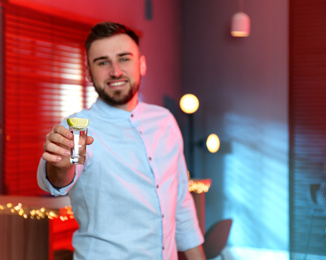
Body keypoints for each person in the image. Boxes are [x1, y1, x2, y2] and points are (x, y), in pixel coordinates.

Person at [37, 21, 206, 260]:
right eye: (102, 62)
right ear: (88, 72)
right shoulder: (77, 127)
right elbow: (59, 178)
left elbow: (180, 201)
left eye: (124, 58)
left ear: (142, 64)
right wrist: (60, 166)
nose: (115, 71)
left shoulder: (165, 121)